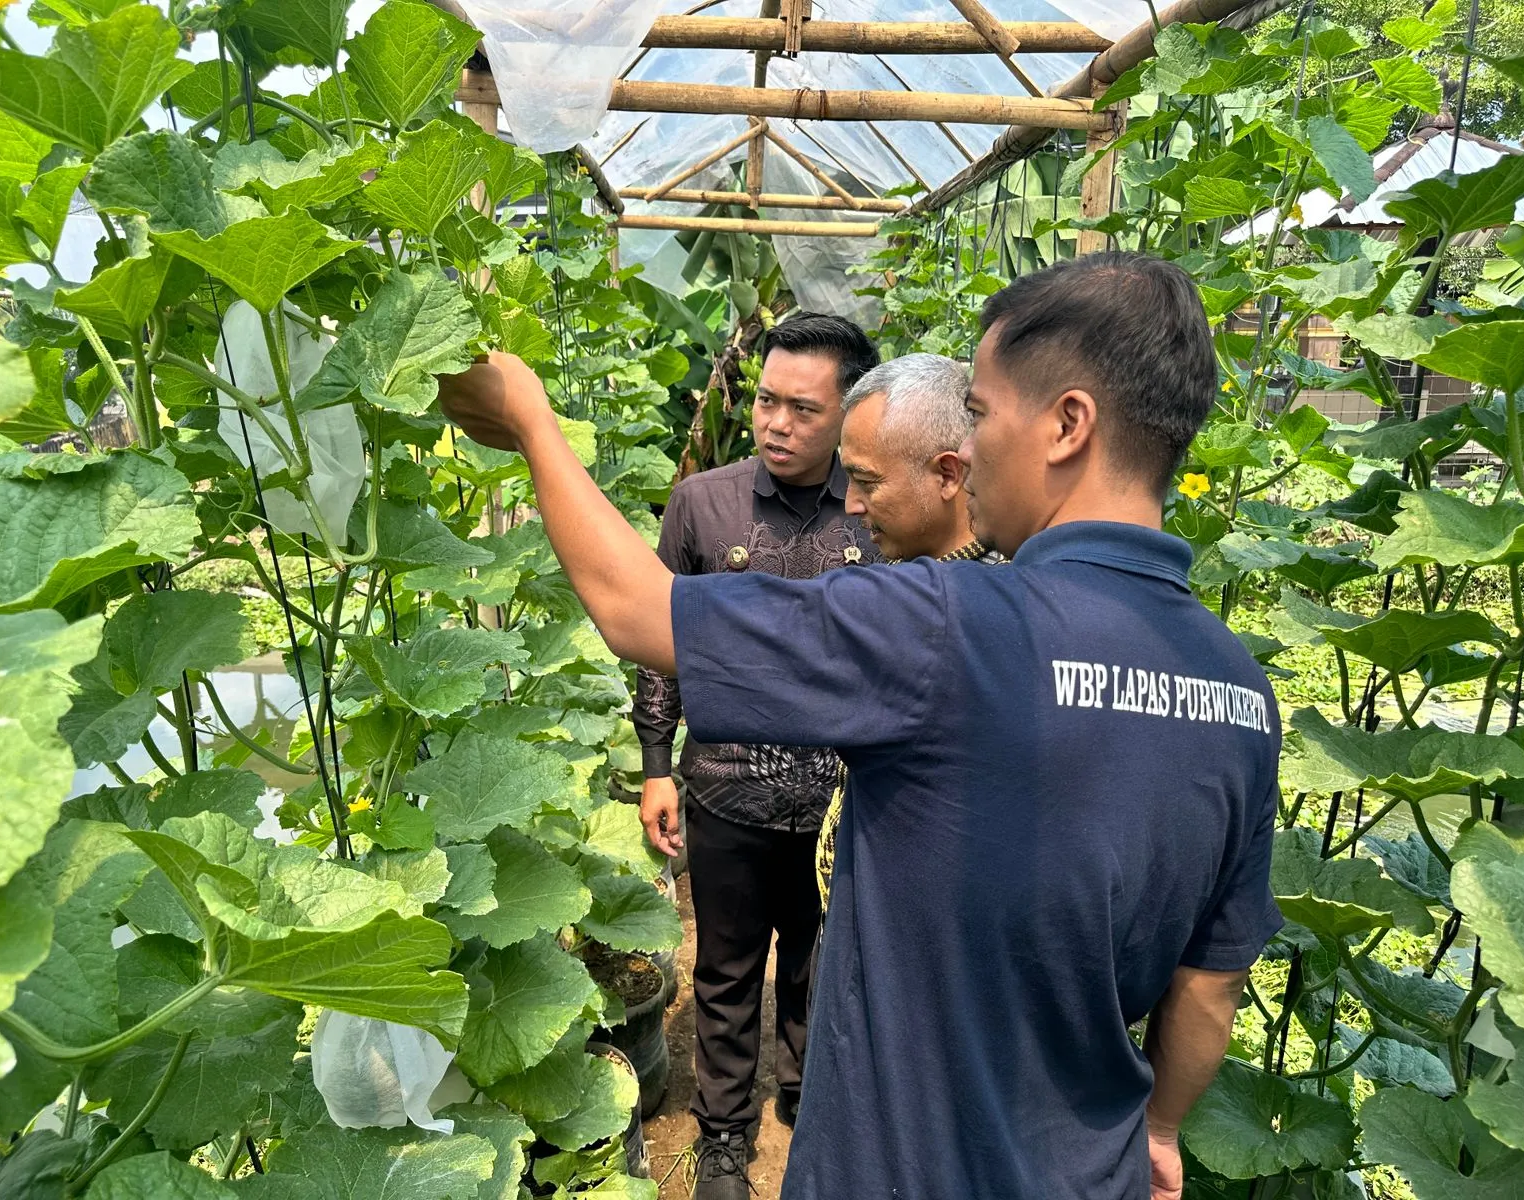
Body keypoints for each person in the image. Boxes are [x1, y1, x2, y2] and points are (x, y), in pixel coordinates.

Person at [438, 252, 1282, 1200]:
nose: (972, 445)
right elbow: (1211, 984)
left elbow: (639, 614)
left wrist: (532, 423)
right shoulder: (1239, 687)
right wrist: (1159, 1129)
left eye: (985, 412)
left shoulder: (950, 623)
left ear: (1066, 424)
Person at [628, 312, 880, 1197]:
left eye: (802, 410)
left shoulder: (876, 512)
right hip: (725, 787)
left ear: (850, 415)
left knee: (824, 958)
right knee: (727, 967)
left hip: (844, 800)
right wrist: (657, 763)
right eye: (767, 401)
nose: (775, 422)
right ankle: (725, 1135)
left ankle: (808, 1100)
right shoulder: (704, 503)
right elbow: (659, 643)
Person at [816, 352, 999, 911]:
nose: (850, 504)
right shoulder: (907, 576)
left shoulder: (985, 614)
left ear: (949, 474)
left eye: (866, 481)